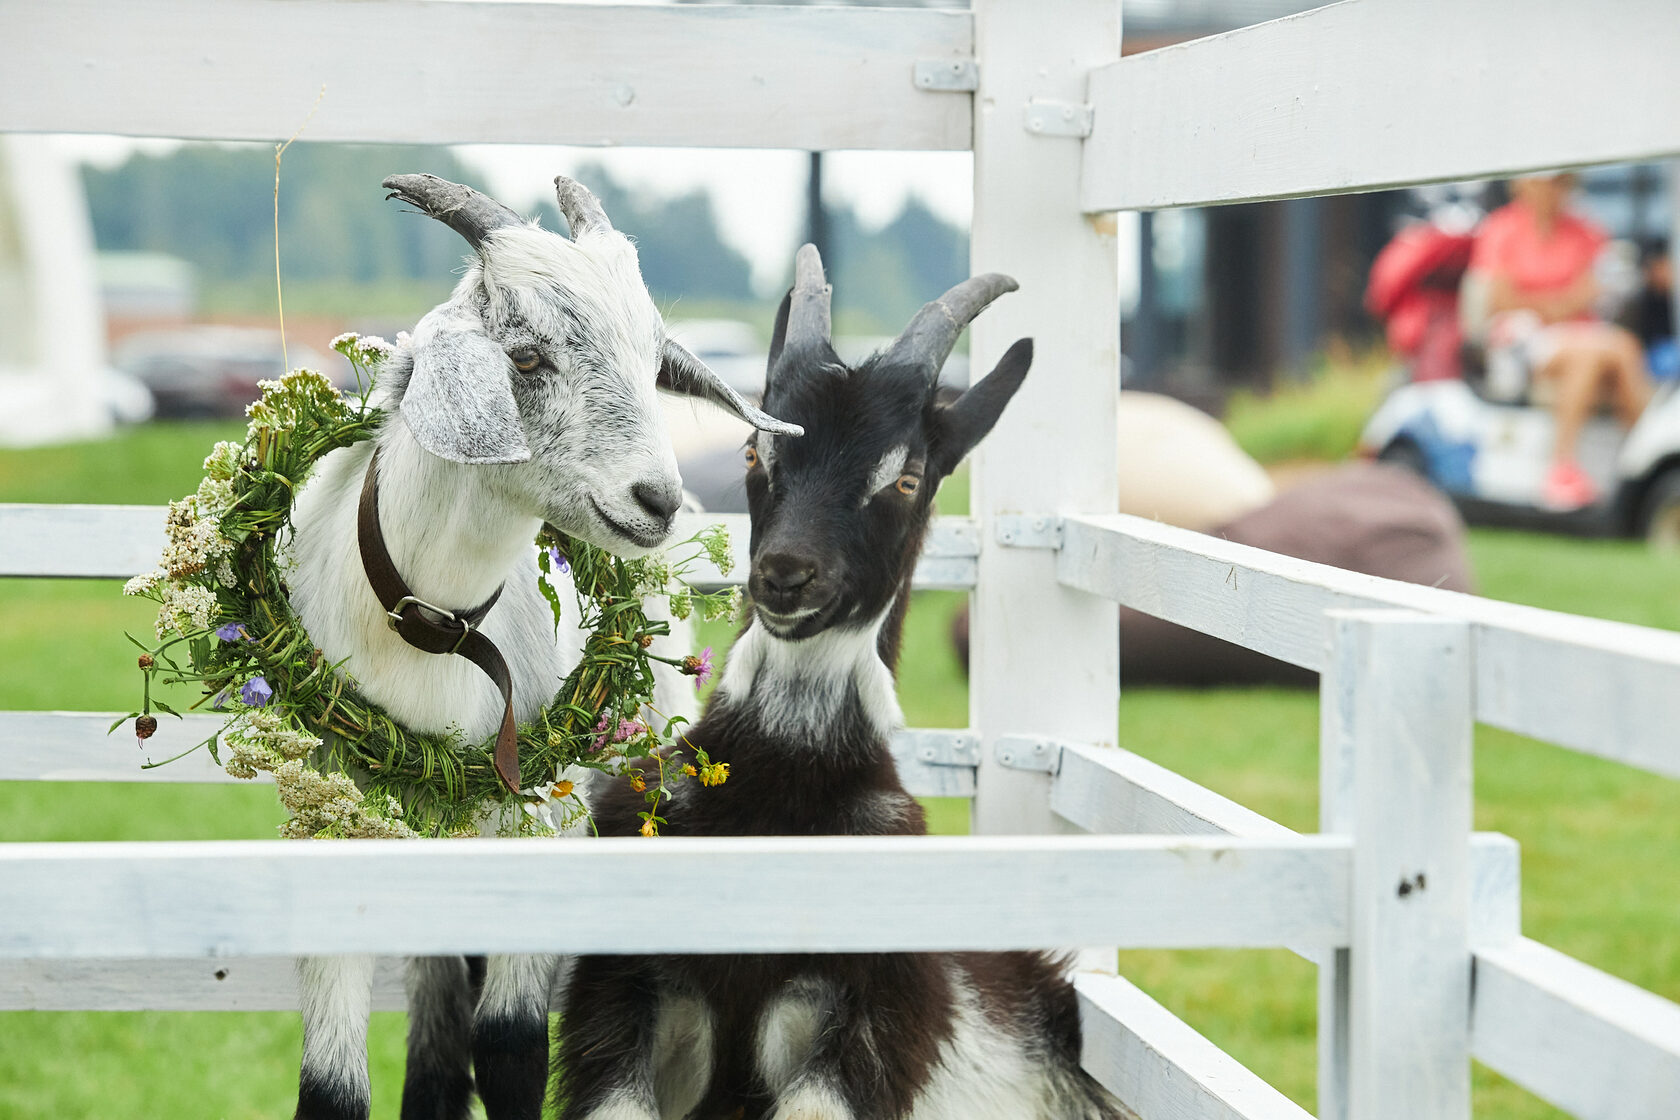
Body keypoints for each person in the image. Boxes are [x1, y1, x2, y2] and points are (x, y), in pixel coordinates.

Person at [1464, 173, 1652, 509]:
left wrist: (1547, 302)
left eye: (1564, 184)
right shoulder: (1501, 228)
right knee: (1592, 351)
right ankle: (1561, 467)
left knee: (1623, 348)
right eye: (1552, 183)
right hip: (1519, 340)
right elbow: (1502, 300)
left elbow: (1597, 291)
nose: (1559, 191)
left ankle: (1646, 461)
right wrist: (1564, 301)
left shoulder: (1585, 230)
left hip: (1578, 335)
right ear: (1525, 185)